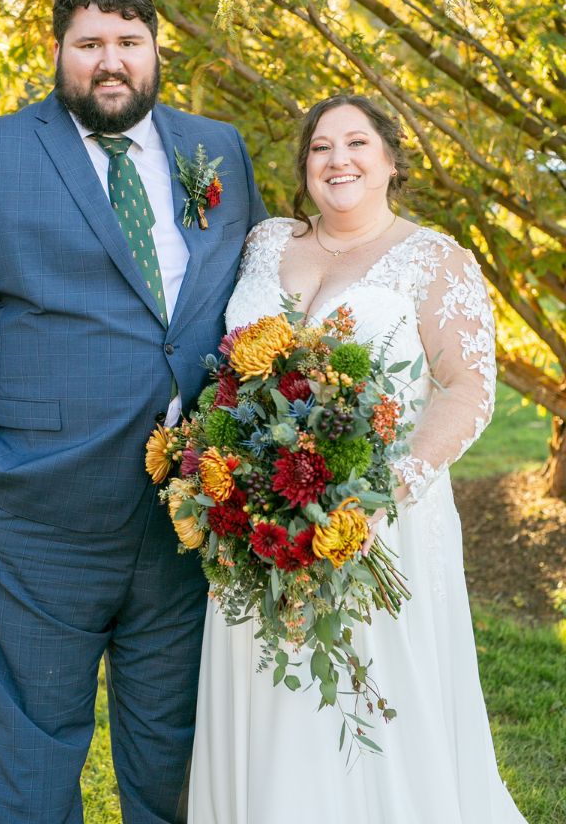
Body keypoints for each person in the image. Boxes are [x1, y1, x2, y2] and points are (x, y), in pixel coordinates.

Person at [0, 0, 267, 824]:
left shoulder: (219, 152)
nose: (111, 62)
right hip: (35, 514)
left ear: (155, 51)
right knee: (30, 751)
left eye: (129, 43)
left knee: (176, 751)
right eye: (90, 43)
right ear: (59, 52)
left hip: (184, 515)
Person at [188, 94, 528, 823]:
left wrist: (383, 489)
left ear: (390, 160)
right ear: (304, 166)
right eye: (320, 147)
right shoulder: (266, 241)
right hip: (258, 516)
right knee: (267, 689)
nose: (338, 160)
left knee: (364, 698)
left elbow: (469, 389)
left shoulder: (433, 257)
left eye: (357, 144)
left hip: (376, 520)